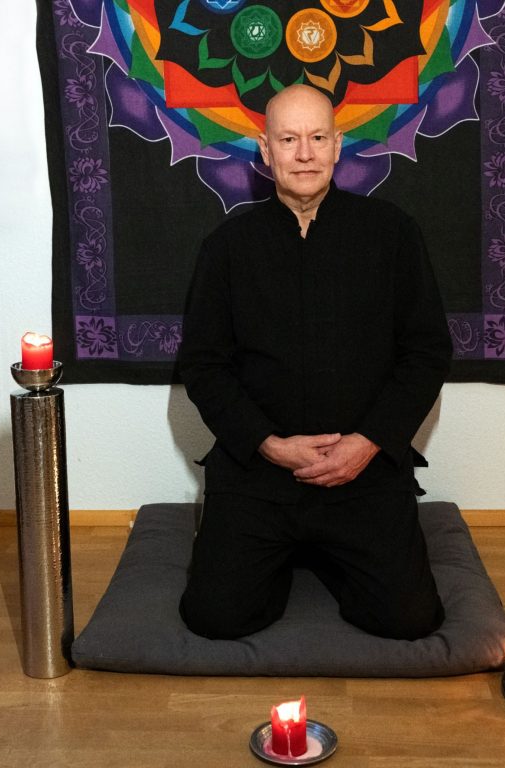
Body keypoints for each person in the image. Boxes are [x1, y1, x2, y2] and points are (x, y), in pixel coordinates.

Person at [178, 84, 452, 642]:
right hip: (259, 474)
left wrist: (368, 443)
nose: (304, 154)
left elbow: (426, 353)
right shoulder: (226, 246)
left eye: (317, 138)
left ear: (337, 145)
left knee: (408, 619)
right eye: (288, 140)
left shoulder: (393, 233)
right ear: (265, 150)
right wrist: (268, 444)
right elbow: (204, 365)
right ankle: (287, 552)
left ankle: (325, 550)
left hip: (362, 470)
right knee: (215, 618)